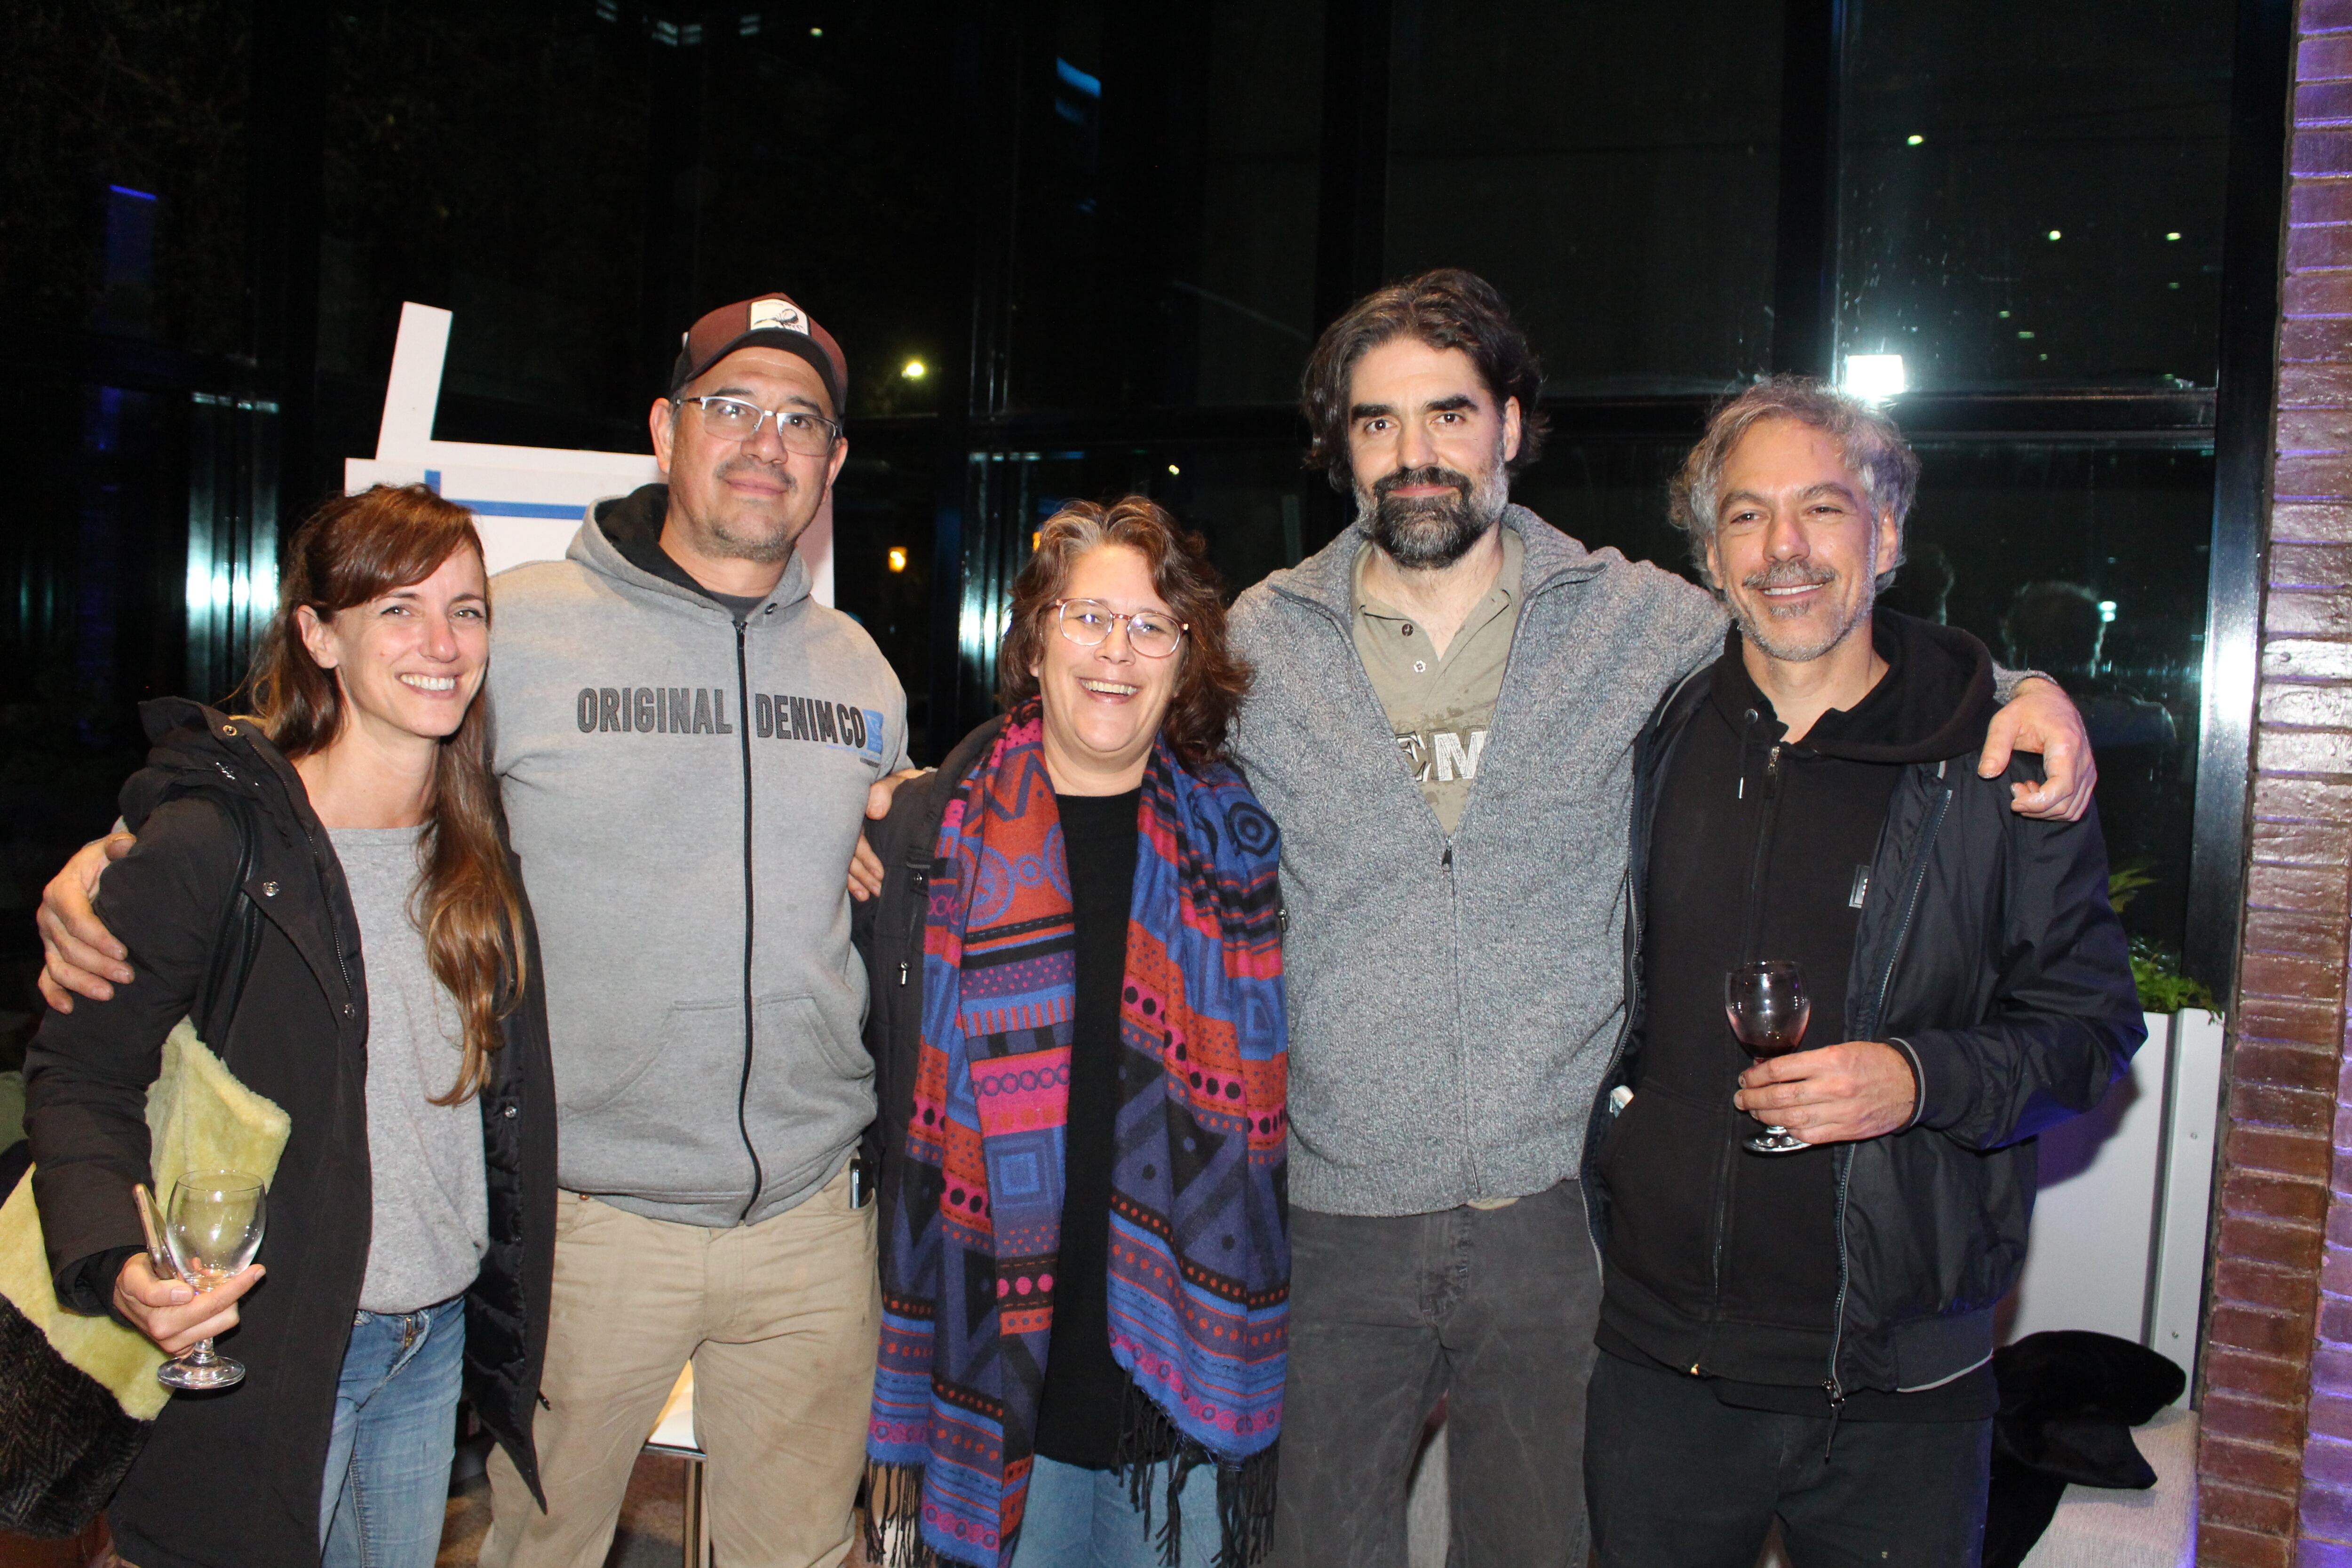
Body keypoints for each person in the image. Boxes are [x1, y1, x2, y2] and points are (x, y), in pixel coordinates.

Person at [1215, 270, 2098, 1568]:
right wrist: (917, 800)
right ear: (1339, 447)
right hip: (1338, 1209)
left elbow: (1828, 627)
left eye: (1450, 414)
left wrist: (2023, 687)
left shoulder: (1643, 623)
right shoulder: (1259, 641)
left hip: (1561, 1223)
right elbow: (1108, 726)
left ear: (1512, 425)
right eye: (1376, 422)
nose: (1416, 455)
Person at [36, 293, 914, 1568]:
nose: (763, 441)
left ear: (832, 463)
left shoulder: (861, 670)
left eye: (801, 419)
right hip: (587, 1223)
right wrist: (125, 837)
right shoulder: (515, 626)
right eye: (731, 406)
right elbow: (312, 765)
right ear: (666, 431)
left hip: (807, 1225)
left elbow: (900, 840)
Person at [1581, 378, 2145, 1566]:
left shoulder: (1998, 762)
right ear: (1709, 554)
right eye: (1745, 516)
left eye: (1822, 509)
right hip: (1658, 1365)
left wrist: (1916, 1077)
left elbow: (2090, 1033)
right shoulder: (1654, 734)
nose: (1783, 548)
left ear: (1885, 535)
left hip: (1901, 1378)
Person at [24, 484, 558, 1568]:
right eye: (398, 610)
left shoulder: (478, 851)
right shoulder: (215, 842)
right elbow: (79, 1073)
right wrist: (121, 1261)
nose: (441, 643)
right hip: (267, 1347)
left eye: (466, 610)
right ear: (320, 634)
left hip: (431, 1342)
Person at [857, 498, 1287, 1568]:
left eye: (1152, 626)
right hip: (997, 1354)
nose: (1116, 651)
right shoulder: (925, 830)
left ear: (1186, 660)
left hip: (1173, 1365)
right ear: (1036, 634)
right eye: (1088, 615)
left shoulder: (1238, 845)